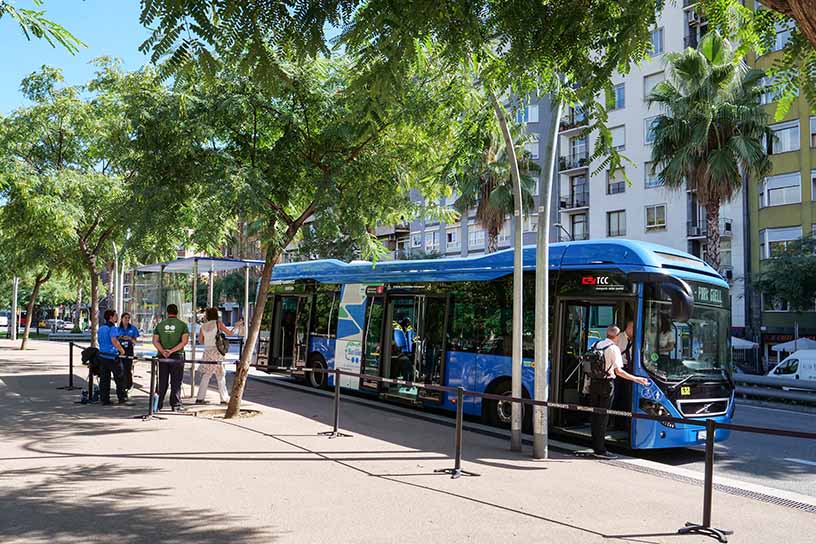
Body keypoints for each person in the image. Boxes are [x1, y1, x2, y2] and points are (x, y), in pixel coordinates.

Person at [589, 325, 649, 459]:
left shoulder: (596, 344)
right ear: (616, 337)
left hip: (594, 384)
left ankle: (595, 445)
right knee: (603, 417)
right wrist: (636, 379)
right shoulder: (613, 348)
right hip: (607, 385)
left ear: (607, 334)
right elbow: (619, 371)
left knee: (595, 416)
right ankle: (600, 450)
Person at [195, 307, 242, 405]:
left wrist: (208, 339)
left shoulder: (203, 326)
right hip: (217, 351)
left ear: (207, 315)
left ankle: (200, 398)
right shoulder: (218, 323)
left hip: (207, 351)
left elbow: (200, 341)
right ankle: (223, 398)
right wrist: (236, 326)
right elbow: (229, 333)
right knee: (220, 374)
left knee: (206, 374)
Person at [152, 304, 190, 412]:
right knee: (176, 381)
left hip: (162, 356)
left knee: (162, 381)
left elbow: (155, 341)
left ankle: (158, 405)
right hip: (177, 356)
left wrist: (163, 351)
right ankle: (176, 404)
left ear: (167, 312)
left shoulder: (160, 325)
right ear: (177, 312)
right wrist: (172, 351)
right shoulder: (182, 325)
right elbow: (184, 341)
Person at [97, 309, 127, 405]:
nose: (117, 317)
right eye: (115, 315)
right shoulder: (113, 328)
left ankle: (104, 399)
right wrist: (122, 350)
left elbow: (100, 340)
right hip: (112, 356)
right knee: (120, 378)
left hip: (102, 356)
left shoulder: (101, 328)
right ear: (111, 317)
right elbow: (114, 340)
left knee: (104, 379)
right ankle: (122, 397)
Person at [117, 312, 139, 393]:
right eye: (125, 318)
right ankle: (121, 385)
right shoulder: (118, 329)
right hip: (120, 349)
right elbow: (114, 339)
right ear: (122, 319)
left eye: (128, 318)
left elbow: (135, 341)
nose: (127, 320)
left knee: (127, 368)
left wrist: (129, 338)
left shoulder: (132, 328)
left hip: (129, 349)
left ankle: (129, 384)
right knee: (120, 368)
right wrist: (121, 337)